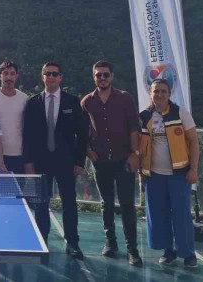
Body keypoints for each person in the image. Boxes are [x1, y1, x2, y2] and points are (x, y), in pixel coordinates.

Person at [22, 62, 88, 259]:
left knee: (69, 202)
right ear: (42, 76)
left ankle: (73, 243)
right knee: (41, 204)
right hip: (41, 163)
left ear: (60, 77)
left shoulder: (72, 102)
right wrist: (29, 163)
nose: (50, 77)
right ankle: (42, 242)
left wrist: (80, 161)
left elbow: (82, 134)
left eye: (54, 74)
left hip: (66, 162)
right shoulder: (33, 103)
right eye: (47, 73)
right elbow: (28, 136)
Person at [81, 61, 142, 266]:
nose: (102, 78)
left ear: (112, 76)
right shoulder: (87, 102)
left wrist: (135, 154)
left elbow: (134, 127)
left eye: (105, 74)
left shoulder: (125, 98)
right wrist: (88, 151)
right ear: (94, 77)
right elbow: (82, 131)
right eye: (98, 75)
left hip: (124, 159)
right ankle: (110, 243)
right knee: (106, 204)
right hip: (101, 161)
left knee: (127, 205)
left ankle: (132, 249)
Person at [139, 78, 199, 268]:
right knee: (158, 214)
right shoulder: (144, 116)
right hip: (154, 175)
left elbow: (194, 141)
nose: (160, 95)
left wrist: (194, 169)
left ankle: (188, 254)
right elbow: (139, 147)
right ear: (150, 93)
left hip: (179, 174)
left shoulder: (180, 112)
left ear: (169, 93)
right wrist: (141, 172)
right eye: (156, 91)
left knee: (182, 215)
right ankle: (168, 251)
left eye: (163, 91)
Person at [0, 59, 28, 174]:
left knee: (18, 187)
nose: (9, 77)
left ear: (16, 76)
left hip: (18, 154)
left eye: (12, 74)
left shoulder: (24, 98)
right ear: (0, 75)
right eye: (5, 73)